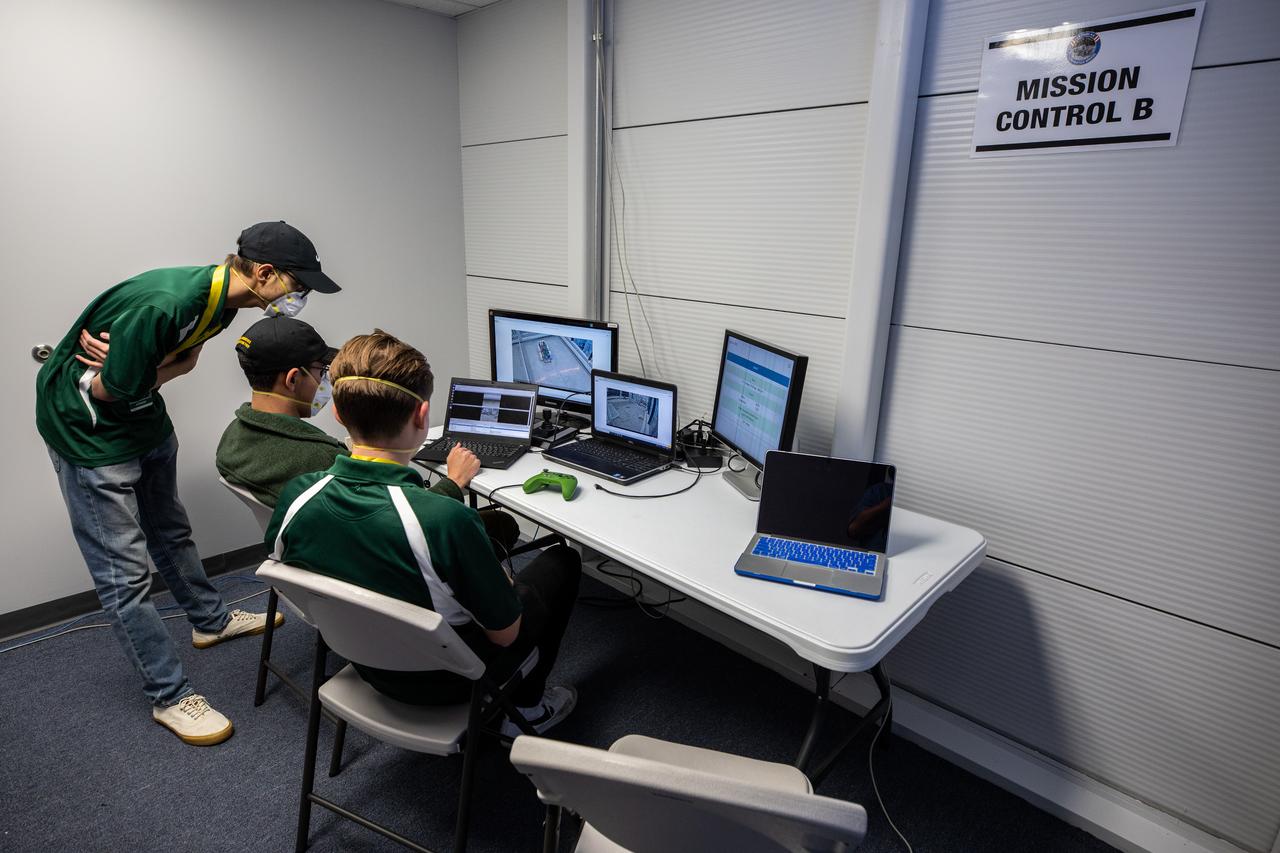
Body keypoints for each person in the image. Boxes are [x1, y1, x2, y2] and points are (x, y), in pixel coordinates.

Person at [36, 221, 340, 746]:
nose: (301, 295)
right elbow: (111, 389)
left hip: (141, 415)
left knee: (170, 529)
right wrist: (162, 370)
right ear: (264, 273)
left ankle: (209, 620)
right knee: (124, 577)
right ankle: (170, 697)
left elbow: (146, 373)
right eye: (298, 284)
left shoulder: (224, 306)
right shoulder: (166, 304)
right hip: (89, 431)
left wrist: (147, 371)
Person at [266, 330, 581, 734]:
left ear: (339, 414)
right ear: (421, 415)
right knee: (562, 561)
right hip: (450, 680)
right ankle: (529, 713)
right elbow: (505, 636)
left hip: (361, 662)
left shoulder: (297, 496)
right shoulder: (444, 520)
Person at [215, 315, 519, 550]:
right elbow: (407, 519)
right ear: (293, 379)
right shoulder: (322, 462)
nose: (325, 382)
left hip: (320, 563)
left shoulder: (233, 438)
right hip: (381, 555)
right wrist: (453, 483)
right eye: (321, 371)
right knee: (502, 524)